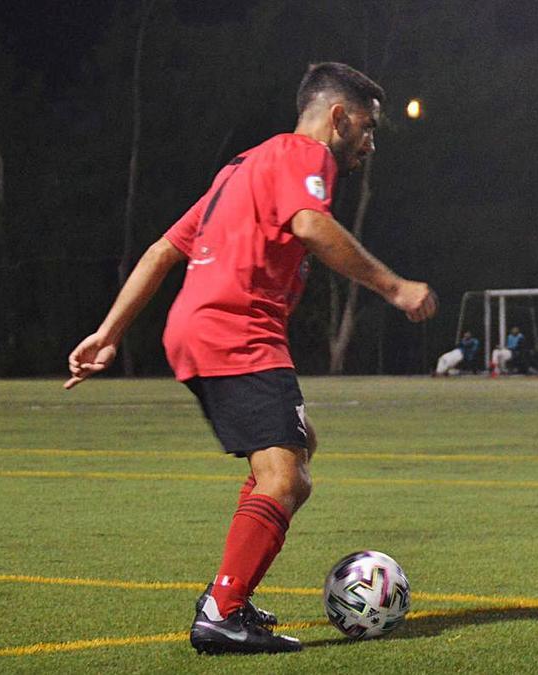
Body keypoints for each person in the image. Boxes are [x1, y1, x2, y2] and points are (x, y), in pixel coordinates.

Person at [64, 63, 437, 654]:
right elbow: (312, 224)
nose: (369, 142)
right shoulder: (304, 155)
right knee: (285, 475)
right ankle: (222, 611)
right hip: (236, 327)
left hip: (199, 329)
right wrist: (395, 287)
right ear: (338, 116)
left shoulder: (245, 165)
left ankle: (226, 594)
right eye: (366, 127)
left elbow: (164, 249)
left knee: (297, 449)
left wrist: (109, 332)